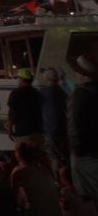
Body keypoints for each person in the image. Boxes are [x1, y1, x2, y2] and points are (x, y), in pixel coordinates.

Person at [69, 54, 98, 202]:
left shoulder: (81, 94)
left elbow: (75, 124)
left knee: (89, 194)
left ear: (81, 74)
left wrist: (76, 151)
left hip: (87, 154)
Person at [10, 139, 61, 215]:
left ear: (18, 155)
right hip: (55, 209)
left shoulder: (18, 171)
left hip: (38, 210)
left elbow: (14, 195)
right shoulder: (45, 166)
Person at [41, 68, 69, 167]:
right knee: (63, 155)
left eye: (44, 75)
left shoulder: (43, 92)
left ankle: (58, 179)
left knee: (53, 157)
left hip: (49, 128)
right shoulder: (62, 91)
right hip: (63, 127)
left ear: (47, 78)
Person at [8, 68, 44, 141]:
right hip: (38, 131)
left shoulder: (16, 93)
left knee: (24, 151)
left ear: (22, 79)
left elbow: (12, 112)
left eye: (19, 78)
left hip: (23, 131)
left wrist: (10, 128)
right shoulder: (37, 93)